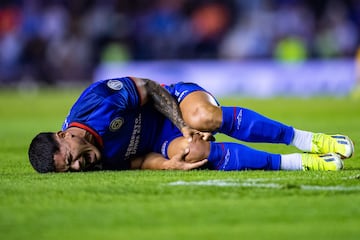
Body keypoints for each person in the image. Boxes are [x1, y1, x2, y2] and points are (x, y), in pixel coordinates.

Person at [28, 77, 354, 173]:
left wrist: (183, 124)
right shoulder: (94, 164)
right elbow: (137, 161)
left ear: (64, 136)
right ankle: (302, 164)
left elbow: (152, 90)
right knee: (194, 153)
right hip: (159, 141)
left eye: (69, 159)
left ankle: (309, 139)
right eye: (67, 171)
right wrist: (171, 164)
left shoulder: (96, 102)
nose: (76, 168)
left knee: (204, 119)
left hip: (174, 102)